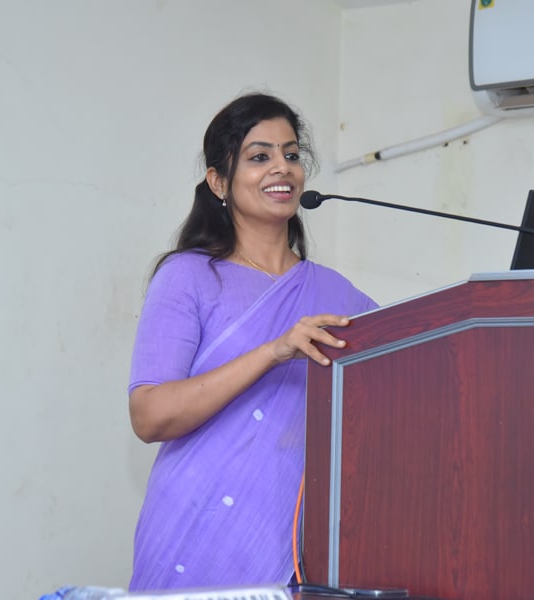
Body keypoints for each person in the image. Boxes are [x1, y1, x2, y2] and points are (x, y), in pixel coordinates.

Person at [127, 92, 377, 591]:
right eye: (259, 156)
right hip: (194, 527)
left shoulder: (337, 295)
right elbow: (149, 416)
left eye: (291, 154)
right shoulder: (188, 276)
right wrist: (273, 351)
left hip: (290, 545)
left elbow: (404, 384)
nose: (282, 168)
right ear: (218, 181)